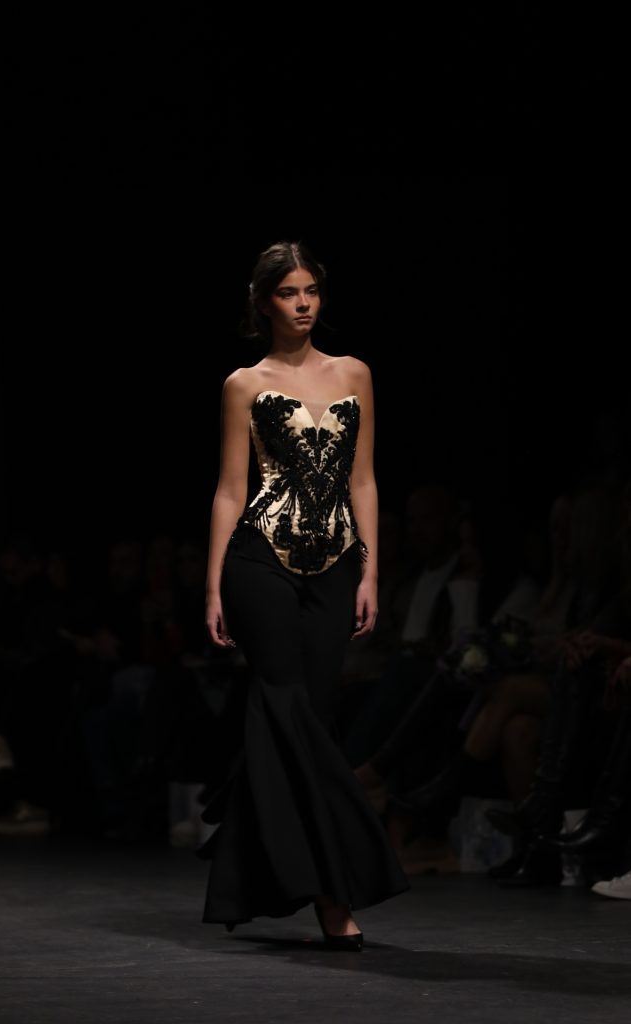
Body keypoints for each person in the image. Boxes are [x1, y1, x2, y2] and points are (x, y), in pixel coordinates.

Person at [195, 239, 409, 951]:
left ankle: (254, 866)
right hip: (259, 559)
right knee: (285, 707)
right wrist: (213, 584)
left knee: (313, 721)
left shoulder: (354, 373)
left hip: (337, 563)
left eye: (311, 290)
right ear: (264, 303)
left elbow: (364, 480)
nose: (303, 303)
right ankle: (334, 893)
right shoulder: (243, 384)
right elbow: (231, 489)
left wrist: (370, 571)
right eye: (289, 293)